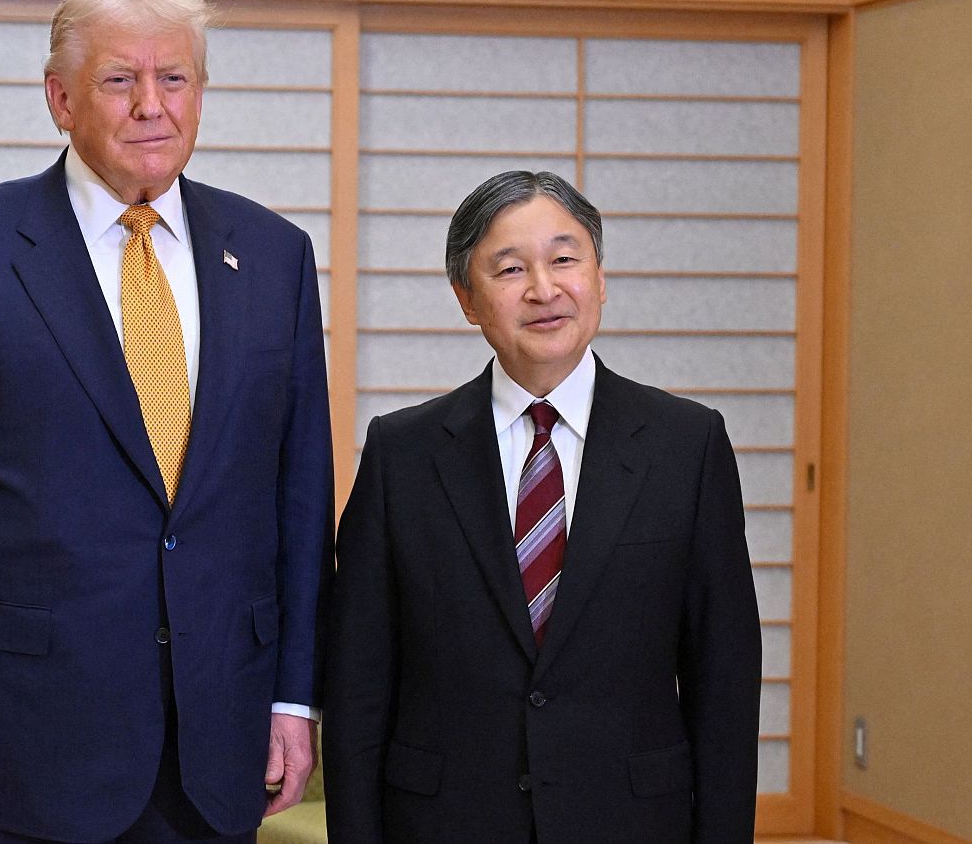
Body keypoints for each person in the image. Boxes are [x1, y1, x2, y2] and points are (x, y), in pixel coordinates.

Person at [0, 0, 333, 844]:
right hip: (20, 748)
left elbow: (300, 500)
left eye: (176, 79)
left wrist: (294, 696)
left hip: (217, 746)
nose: (153, 105)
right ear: (61, 98)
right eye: (121, 80)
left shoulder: (273, 256)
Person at [323, 170, 761, 843]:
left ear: (601, 278)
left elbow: (725, 680)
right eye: (509, 268)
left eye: (564, 259)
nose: (544, 289)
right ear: (466, 299)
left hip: (633, 819)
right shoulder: (402, 455)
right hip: (444, 821)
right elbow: (358, 685)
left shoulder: (687, 445)